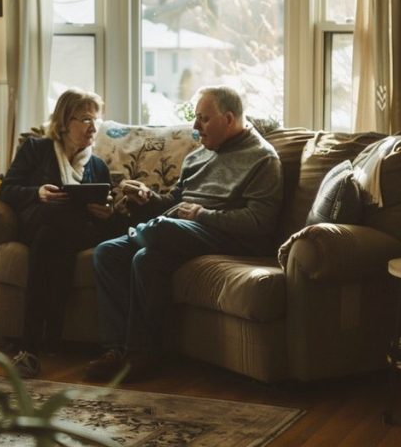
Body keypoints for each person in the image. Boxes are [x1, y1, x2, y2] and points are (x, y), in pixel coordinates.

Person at [84, 85, 283, 383]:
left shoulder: (263, 159)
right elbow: (173, 204)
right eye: (196, 118)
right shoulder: (197, 157)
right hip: (181, 230)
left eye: (203, 119)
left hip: (228, 236)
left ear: (228, 119)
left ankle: (141, 352)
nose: (195, 126)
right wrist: (149, 198)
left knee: (159, 231)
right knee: (113, 253)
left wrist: (202, 215)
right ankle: (122, 350)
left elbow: (259, 223)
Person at [0, 88, 121, 378]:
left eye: (96, 121)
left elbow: (106, 217)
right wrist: (37, 192)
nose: (93, 128)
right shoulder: (36, 150)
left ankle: (29, 347)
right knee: (51, 228)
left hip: (75, 232)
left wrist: (107, 213)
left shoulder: (97, 166)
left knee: (53, 233)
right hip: (43, 225)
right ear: (65, 122)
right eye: (86, 119)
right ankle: (50, 334)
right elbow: (6, 191)